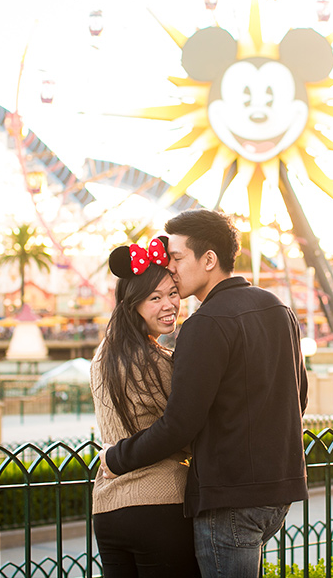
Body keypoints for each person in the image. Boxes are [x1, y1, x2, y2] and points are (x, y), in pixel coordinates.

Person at [100, 209, 308, 577]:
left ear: (209, 259)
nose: (172, 267)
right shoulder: (280, 309)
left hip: (228, 498)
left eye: (177, 257)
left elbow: (180, 424)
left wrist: (116, 458)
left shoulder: (204, 325)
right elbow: (299, 396)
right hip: (279, 492)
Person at [90, 237, 201, 578]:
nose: (170, 304)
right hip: (159, 506)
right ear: (132, 304)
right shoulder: (158, 361)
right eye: (155, 298)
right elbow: (182, 430)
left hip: (106, 509)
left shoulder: (101, 357)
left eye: (172, 293)